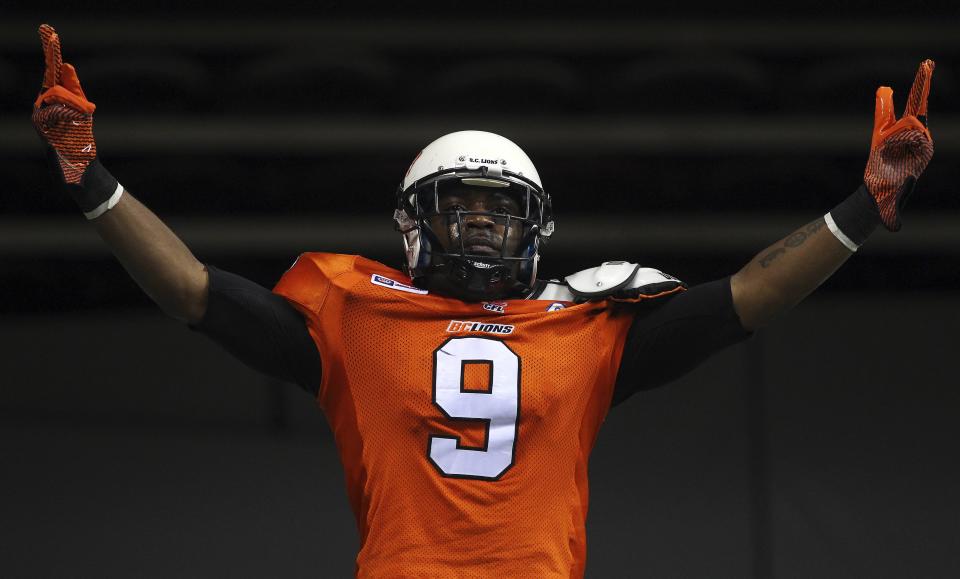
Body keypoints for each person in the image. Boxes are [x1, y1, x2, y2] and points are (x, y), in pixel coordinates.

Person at [31, 23, 935, 579]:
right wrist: (88, 176)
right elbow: (194, 291)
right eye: (457, 207)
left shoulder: (585, 324)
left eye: (496, 211)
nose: (476, 228)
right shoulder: (354, 314)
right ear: (414, 223)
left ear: (533, 228)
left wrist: (861, 208)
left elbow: (744, 299)